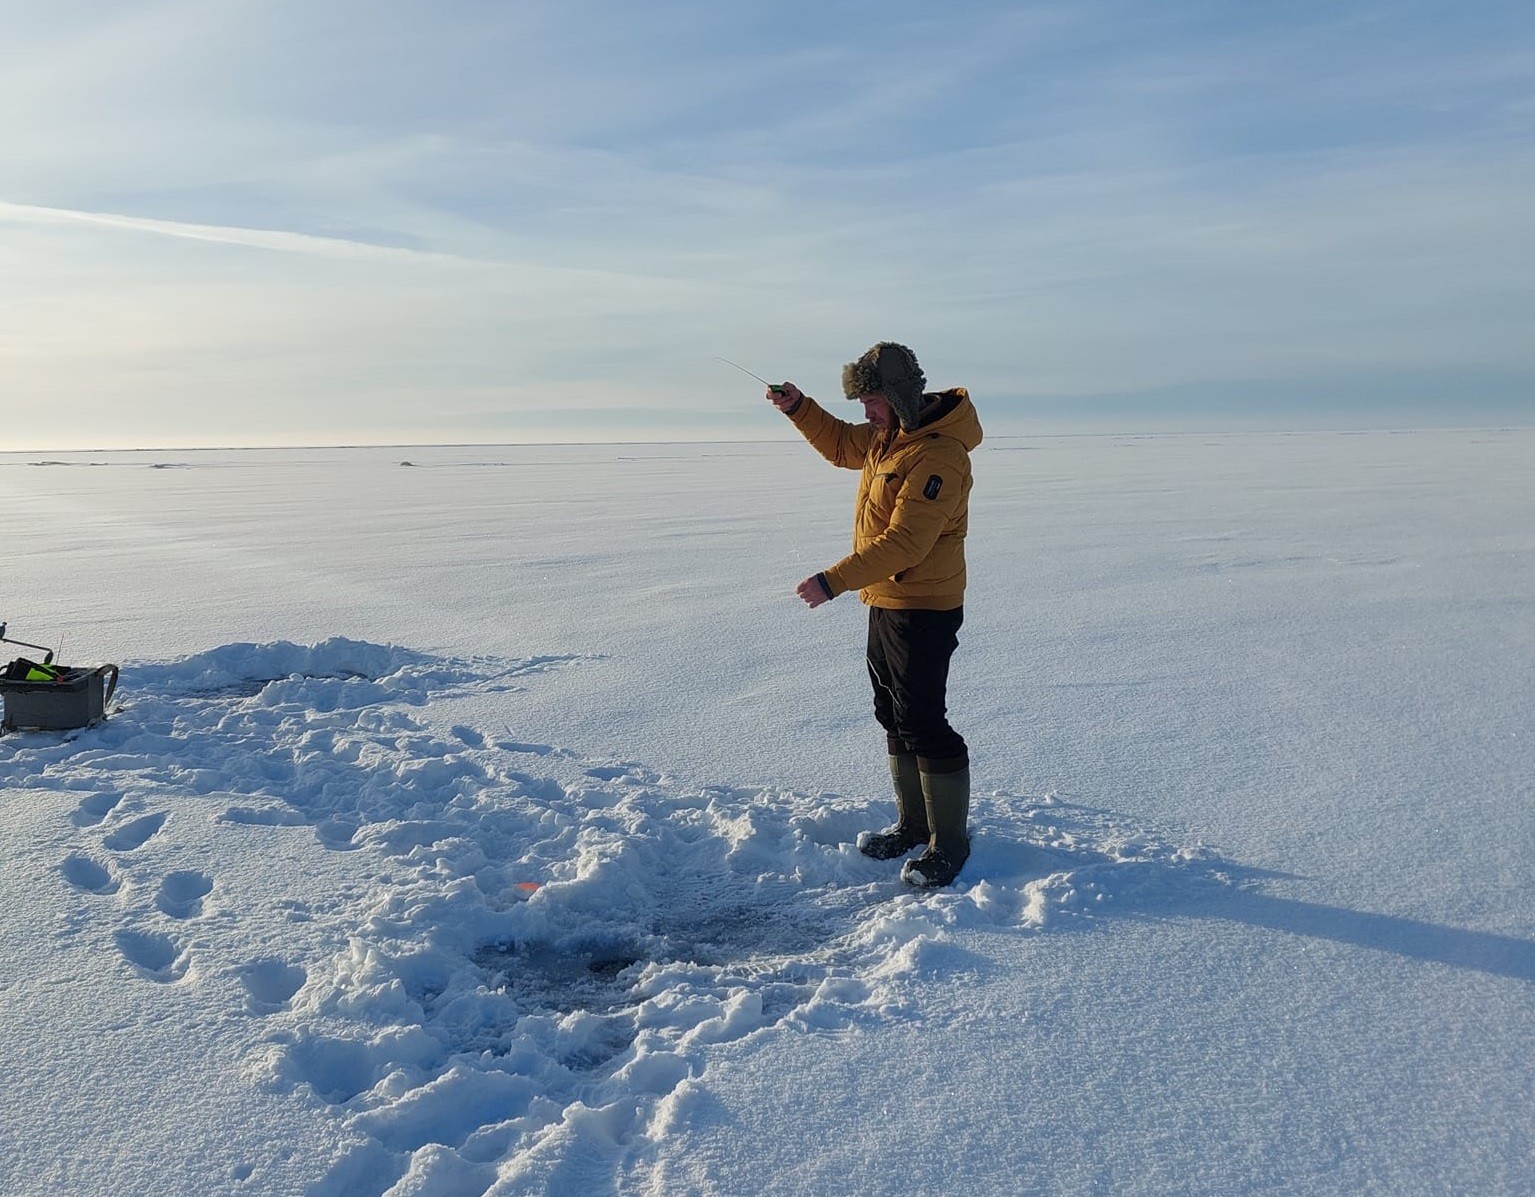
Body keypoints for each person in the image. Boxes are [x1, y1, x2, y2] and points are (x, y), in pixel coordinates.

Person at [768, 342, 983, 887]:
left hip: (923, 606)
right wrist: (800, 408)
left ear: (899, 396)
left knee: (924, 721)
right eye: (862, 401)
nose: (866, 413)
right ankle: (913, 825)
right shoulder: (891, 438)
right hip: (884, 599)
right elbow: (842, 444)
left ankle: (949, 843)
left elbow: (907, 542)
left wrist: (832, 580)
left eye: (872, 401)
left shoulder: (937, 455)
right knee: (892, 712)